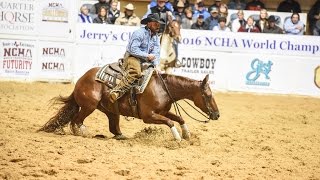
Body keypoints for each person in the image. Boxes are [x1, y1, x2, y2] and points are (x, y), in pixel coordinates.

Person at [109, 13, 164, 103]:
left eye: (159, 24)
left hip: (146, 59)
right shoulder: (139, 33)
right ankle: (117, 91)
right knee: (136, 72)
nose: (158, 26)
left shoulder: (156, 37)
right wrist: (147, 55)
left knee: (154, 75)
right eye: (155, 24)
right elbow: (133, 49)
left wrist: (156, 65)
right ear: (149, 23)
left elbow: (156, 52)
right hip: (132, 57)